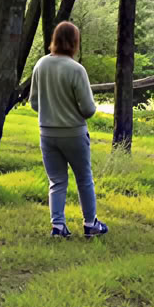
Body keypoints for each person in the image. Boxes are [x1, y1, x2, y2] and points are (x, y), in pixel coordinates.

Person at [29, 21, 107, 237]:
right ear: (75, 42)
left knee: (56, 180)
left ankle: (58, 225)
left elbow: (34, 103)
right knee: (84, 178)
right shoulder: (76, 69)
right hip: (74, 133)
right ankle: (90, 224)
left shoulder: (40, 65)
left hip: (47, 133)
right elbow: (88, 109)